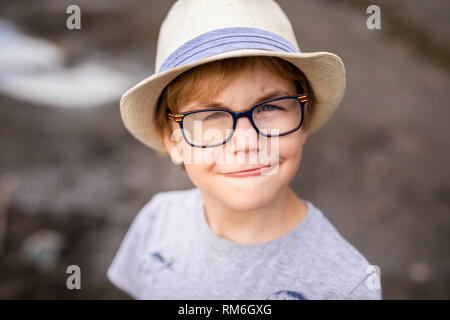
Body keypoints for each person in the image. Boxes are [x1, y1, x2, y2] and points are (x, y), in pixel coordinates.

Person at [107, 0, 382, 300]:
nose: (247, 141)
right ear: (174, 141)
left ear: (304, 121)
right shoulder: (158, 221)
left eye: (269, 106)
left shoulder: (345, 285)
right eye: (211, 116)